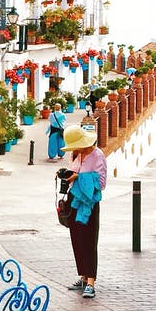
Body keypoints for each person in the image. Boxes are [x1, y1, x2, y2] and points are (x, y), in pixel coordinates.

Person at [60, 123, 107, 300]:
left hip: (89, 203)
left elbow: (101, 183)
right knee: (77, 240)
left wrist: (79, 177)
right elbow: (73, 172)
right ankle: (83, 277)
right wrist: (66, 174)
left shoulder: (98, 156)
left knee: (89, 241)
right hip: (74, 200)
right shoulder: (77, 154)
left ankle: (91, 283)